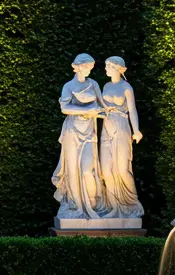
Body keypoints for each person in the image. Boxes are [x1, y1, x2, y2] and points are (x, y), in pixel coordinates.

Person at [52, 53, 108, 219]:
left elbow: (102, 106)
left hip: (89, 131)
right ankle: (76, 204)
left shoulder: (93, 84)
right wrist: (87, 111)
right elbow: (65, 108)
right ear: (77, 67)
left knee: (86, 170)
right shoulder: (68, 86)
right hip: (72, 131)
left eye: (90, 67)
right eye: (86, 67)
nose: (89, 70)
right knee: (72, 169)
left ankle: (91, 204)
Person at [99, 55, 143, 218]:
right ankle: (113, 207)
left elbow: (132, 110)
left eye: (108, 66)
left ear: (117, 68)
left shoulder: (126, 87)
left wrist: (136, 130)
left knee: (123, 169)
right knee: (106, 171)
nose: (105, 69)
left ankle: (132, 204)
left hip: (122, 127)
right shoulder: (105, 86)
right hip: (107, 128)